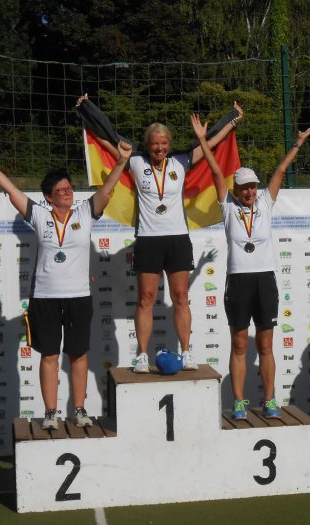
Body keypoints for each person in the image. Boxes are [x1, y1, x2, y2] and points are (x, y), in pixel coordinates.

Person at [78, 96, 244, 373]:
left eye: (163, 143)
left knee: (180, 296)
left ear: (169, 144)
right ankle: (142, 355)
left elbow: (211, 142)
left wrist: (232, 118)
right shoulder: (135, 162)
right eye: (155, 143)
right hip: (148, 239)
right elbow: (105, 137)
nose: (159, 147)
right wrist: (86, 111)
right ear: (148, 145)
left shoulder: (182, 160)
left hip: (177, 238)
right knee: (145, 298)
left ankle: (187, 352)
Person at [193, 113, 310, 419]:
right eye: (244, 187)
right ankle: (239, 401)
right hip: (238, 281)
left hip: (265, 280)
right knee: (239, 345)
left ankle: (270, 399)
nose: (249, 191)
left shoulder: (265, 202)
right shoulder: (227, 207)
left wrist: (299, 143)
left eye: (252, 186)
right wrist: (201, 140)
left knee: (265, 345)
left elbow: (280, 169)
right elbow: (213, 169)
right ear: (235, 189)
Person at [0, 133, 125, 429]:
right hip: (45, 297)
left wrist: (121, 161)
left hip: (79, 296)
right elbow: (12, 191)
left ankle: (79, 410)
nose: (67, 192)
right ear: (49, 197)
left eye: (68, 188)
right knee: (50, 356)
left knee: (78, 354)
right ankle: (51, 413)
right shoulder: (39, 215)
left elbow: (106, 190)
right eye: (60, 190)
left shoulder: (85, 213)